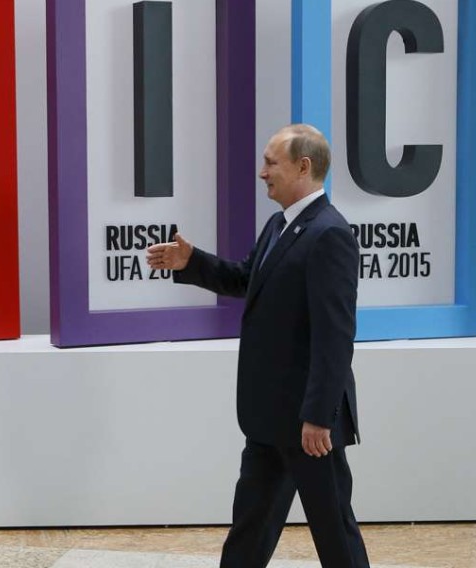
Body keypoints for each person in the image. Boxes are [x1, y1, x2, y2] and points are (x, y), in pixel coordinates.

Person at [147, 124, 369, 568]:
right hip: (269, 416)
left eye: (271, 162)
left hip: (308, 426)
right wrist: (193, 262)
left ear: (303, 167)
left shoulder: (329, 235)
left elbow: (335, 335)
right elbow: (248, 279)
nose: (261, 172)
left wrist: (318, 416)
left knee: (333, 530)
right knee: (250, 527)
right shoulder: (279, 225)